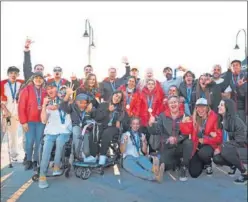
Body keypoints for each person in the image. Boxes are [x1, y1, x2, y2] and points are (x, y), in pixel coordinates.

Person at [149, 96, 193, 181]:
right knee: (164, 165)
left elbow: (186, 133)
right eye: (171, 103)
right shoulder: (162, 116)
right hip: (167, 146)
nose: (173, 104)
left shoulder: (185, 116)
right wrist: (150, 124)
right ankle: (176, 162)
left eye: (175, 102)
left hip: (179, 146)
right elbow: (156, 131)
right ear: (168, 105)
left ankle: (184, 166)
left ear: (179, 104)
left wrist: (176, 139)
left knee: (189, 142)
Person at [38, 83, 72, 189]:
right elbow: (43, 120)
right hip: (50, 131)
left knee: (60, 141)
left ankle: (56, 166)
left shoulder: (65, 99)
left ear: (56, 89)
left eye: (52, 88)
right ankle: (42, 176)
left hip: (64, 131)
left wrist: (57, 105)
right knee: (46, 149)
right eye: (48, 89)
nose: (50, 90)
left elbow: (66, 104)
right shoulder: (47, 102)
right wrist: (44, 105)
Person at [180, 98, 222, 177]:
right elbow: (186, 131)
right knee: (194, 173)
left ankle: (208, 163)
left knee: (203, 153)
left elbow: (219, 138)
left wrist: (205, 140)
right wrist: (183, 123)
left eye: (203, 107)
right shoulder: (193, 118)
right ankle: (202, 162)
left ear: (207, 108)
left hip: (209, 145)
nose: (201, 109)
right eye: (198, 107)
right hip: (197, 146)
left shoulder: (214, 117)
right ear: (196, 108)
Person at [213, 99, 247, 184]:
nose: (218, 107)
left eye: (221, 105)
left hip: (243, 148)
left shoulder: (236, 120)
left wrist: (221, 147)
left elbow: (241, 140)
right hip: (231, 147)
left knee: (225, 149)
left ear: (228, 107)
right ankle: (233, 165)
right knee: (216, 158)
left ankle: (245, 173)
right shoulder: (222, 120)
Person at [120, 117, 165, 182]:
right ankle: (155, 177)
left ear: (139, 125)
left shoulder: (141, 135)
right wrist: (125, 142)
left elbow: (144, 151)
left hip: (139, 156)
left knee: (145, 161)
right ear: (131, 125)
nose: (135, 126)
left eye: (137, 124)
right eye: (134, 124)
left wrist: (144, 142)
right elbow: (122, 151)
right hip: (128, 158)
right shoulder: (125, 135)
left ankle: (155, 169)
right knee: (137, 170)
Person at [18, 72, 47, 170]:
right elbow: (21, 106)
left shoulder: (44, 91)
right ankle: (29, 160)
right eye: (36, 78)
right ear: (33, 79)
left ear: (43, 80)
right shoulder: (26, 90)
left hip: (40, 121)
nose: (38, 80)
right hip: (29, 121)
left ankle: (36, 160)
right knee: (30, 141)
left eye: (40, 78)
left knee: (39, 141)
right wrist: (24, 121)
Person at [60, 88, 97, 160]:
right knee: (77, 133)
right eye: (81, 102)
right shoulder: (72, 106)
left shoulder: (90, 108)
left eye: (85, 103)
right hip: (76, 125)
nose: (83, 104)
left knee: (87, 139)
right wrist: (67, 95)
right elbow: (63, 107)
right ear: (76, 102)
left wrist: (90, 110)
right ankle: (77, 155)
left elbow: (96, 116)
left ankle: (87, 155)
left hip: (86, 127)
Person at [0, 66, 24, 161]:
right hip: (6, 112)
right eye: (11, 73)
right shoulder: (2, 84)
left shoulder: (21, 83)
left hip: (17, 113)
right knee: (2, 132)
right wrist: (5, 110)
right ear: (8, 74)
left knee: (13, 134)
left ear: (18, 75)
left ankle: (14, 155)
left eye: (15, 73)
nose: (13, 75)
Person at [94, 91, 124, 165]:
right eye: (116, 95)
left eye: (119, 97)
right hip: (102, 125)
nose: (117, 98)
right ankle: (93, 155)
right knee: (95, 132)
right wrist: (108, 111)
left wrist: (119, 120)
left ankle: (102, 157)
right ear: (112, 95)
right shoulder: (103, 104)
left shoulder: (121, 109)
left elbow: (123, 119)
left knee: (106, 133)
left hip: (113, 128)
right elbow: (97, 118)